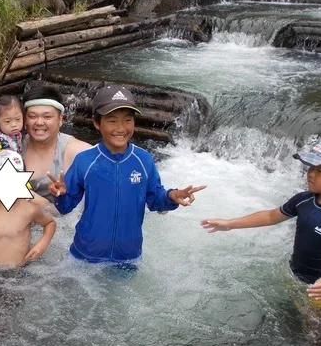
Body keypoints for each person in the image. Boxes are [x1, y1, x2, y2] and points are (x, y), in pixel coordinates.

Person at [47, 84, 206, 263]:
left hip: (128, 256)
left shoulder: (143, 159)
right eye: (112, 120)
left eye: (128, 120)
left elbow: (155, 200)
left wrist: (172, 196)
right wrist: (59, 194)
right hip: (86, 254)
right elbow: (65, 207)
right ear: (96, 123)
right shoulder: (85, 161)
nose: (121, 128)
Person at [201, 136, 321, 302]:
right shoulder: (303, 200)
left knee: (312, 328)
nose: (311, 174)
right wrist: (230, 224)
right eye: (310, 167)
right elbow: (270, 216)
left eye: (320, 170)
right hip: (296, 274)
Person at [0, 86, 92, 201]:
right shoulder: (12, 145)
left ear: (60, 119)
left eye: (47, 117)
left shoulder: (79, 151)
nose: (39, 122)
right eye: (32, 116)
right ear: (24, 119)